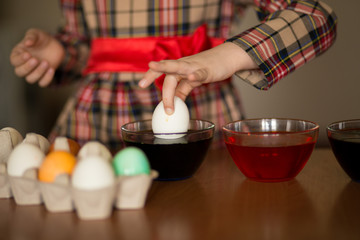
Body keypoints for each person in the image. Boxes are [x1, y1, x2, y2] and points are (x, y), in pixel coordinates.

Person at [10, 0, 337, 152]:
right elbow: (85, 48)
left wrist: (224, 56)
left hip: (198, 115)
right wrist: (61, 52)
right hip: (97, 120)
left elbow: (315, 15)